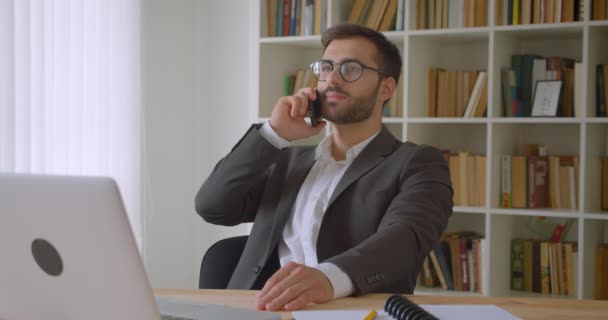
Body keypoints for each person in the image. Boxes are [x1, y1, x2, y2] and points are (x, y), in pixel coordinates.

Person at [195, 24, 453, 312]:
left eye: (350, 68)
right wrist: (274, 133)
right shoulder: (287, 160)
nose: (332, 79)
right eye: (326, 67)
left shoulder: (416, 162)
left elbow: (405, 238)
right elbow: (212, 206)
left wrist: (329, 279)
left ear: (386, 88)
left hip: (354, 313)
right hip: (259, 311)